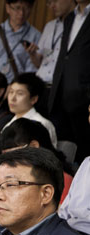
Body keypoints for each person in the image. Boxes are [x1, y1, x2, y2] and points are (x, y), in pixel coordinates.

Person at [49, 0, 90, 162]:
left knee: (84, 152)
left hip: (83, 96)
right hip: (60, 92)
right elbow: (65, 55)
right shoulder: (70, 18)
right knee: (60, 152)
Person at [0, 118, 73, 202]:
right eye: (4, 157)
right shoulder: (4, 181)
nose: (7, 162)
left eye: (12, 155)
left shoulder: (62, 180)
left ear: (33, 146)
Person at [2, 73, 58, 146]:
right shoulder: (8, 124)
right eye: (11, 92)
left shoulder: (42, 124)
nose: (12, 98)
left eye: (20, 93)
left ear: (33, 99)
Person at [29, 0, 76, 86]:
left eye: (55, 1)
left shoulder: (79, 25)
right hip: (41, 83)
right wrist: (32, 54)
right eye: (49, 3)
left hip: (61, 85)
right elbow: (38, 63)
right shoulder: (49, 26)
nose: (52, 6)